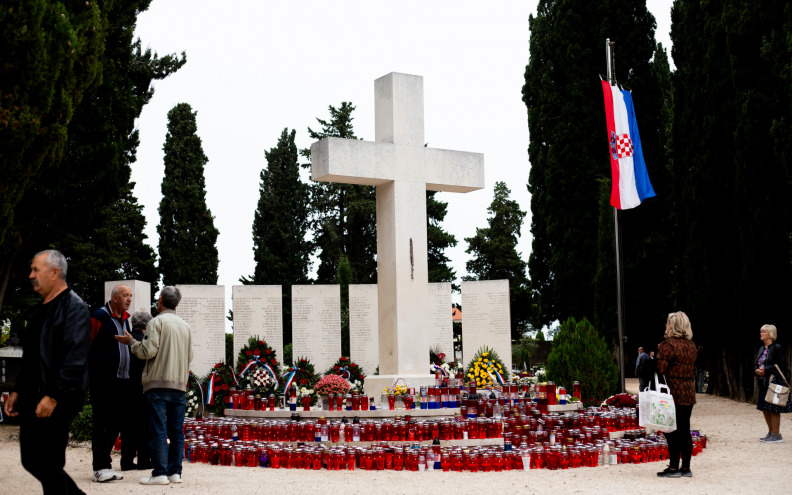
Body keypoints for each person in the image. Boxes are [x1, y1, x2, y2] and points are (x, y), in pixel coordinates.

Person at [3, 250, 90, 494]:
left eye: (35, 270)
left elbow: (75, 359)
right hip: (35, 395)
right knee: (33, 460)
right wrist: (17, 390)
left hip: (58, 398)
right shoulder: (39, 311)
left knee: (47, 462)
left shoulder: (74, 308)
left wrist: (53, 396)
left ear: (54, 272)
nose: (30, 275)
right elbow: (31, 358)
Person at [116, 286, 193, 485]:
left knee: (158, 429)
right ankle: (175, 472)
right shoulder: (185, 326)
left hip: (157, 384)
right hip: (179, 384)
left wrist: (131, 342)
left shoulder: (156, 322)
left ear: (160, 300)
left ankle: (159, 473)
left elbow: (147, 351)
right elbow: (190, 356)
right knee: (176, 431)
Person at [87, 284, 132, 482]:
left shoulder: (125, 320)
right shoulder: (99, 316)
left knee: (117, 422)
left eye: (130, 296)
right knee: (102, 423)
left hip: (122, 380)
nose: (129, 299)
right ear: (114, 298)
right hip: (103, 380)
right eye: (125, 295)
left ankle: (106, 464)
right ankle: (100, 467)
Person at [656, 311, 697, 478]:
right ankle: (686, 467)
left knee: (671, 430)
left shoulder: (668, 345)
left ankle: (673, 467)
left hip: (673, 391)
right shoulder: (691, 345)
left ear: (672, 326)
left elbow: (660, 369)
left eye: (667, 323)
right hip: (688, 391)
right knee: (685, 429)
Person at [120, 310, 153, 471]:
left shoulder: (124, 339)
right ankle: (144, 460)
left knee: (127, 427)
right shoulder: (143, 342)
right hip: (142, 388)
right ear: (147, 325)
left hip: (125, 387)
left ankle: (126, 461)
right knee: (144, 426)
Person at [754, 324, 790, 443]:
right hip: (763, 381)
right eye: (761, 331)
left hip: (774, 381)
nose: (761, 334)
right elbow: (757, 363)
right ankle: (770, 432)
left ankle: (777, 434)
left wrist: (766, 369)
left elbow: (781, 365)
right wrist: (757, 369)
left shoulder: (777, 348)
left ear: (770, 334)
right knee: (764, 407)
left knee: (773, 408)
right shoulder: (761, 349)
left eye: (763, 332)